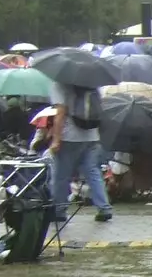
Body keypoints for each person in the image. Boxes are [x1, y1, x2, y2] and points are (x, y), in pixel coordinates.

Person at [48, 77, 114, 224]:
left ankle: (59, 210)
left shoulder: (60, 84)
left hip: (69, 137)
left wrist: (56, 139)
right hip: (92, 136)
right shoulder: (93, 83)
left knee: (61, 175)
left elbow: (60, 114)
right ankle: (104, 208)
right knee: (93, 172)